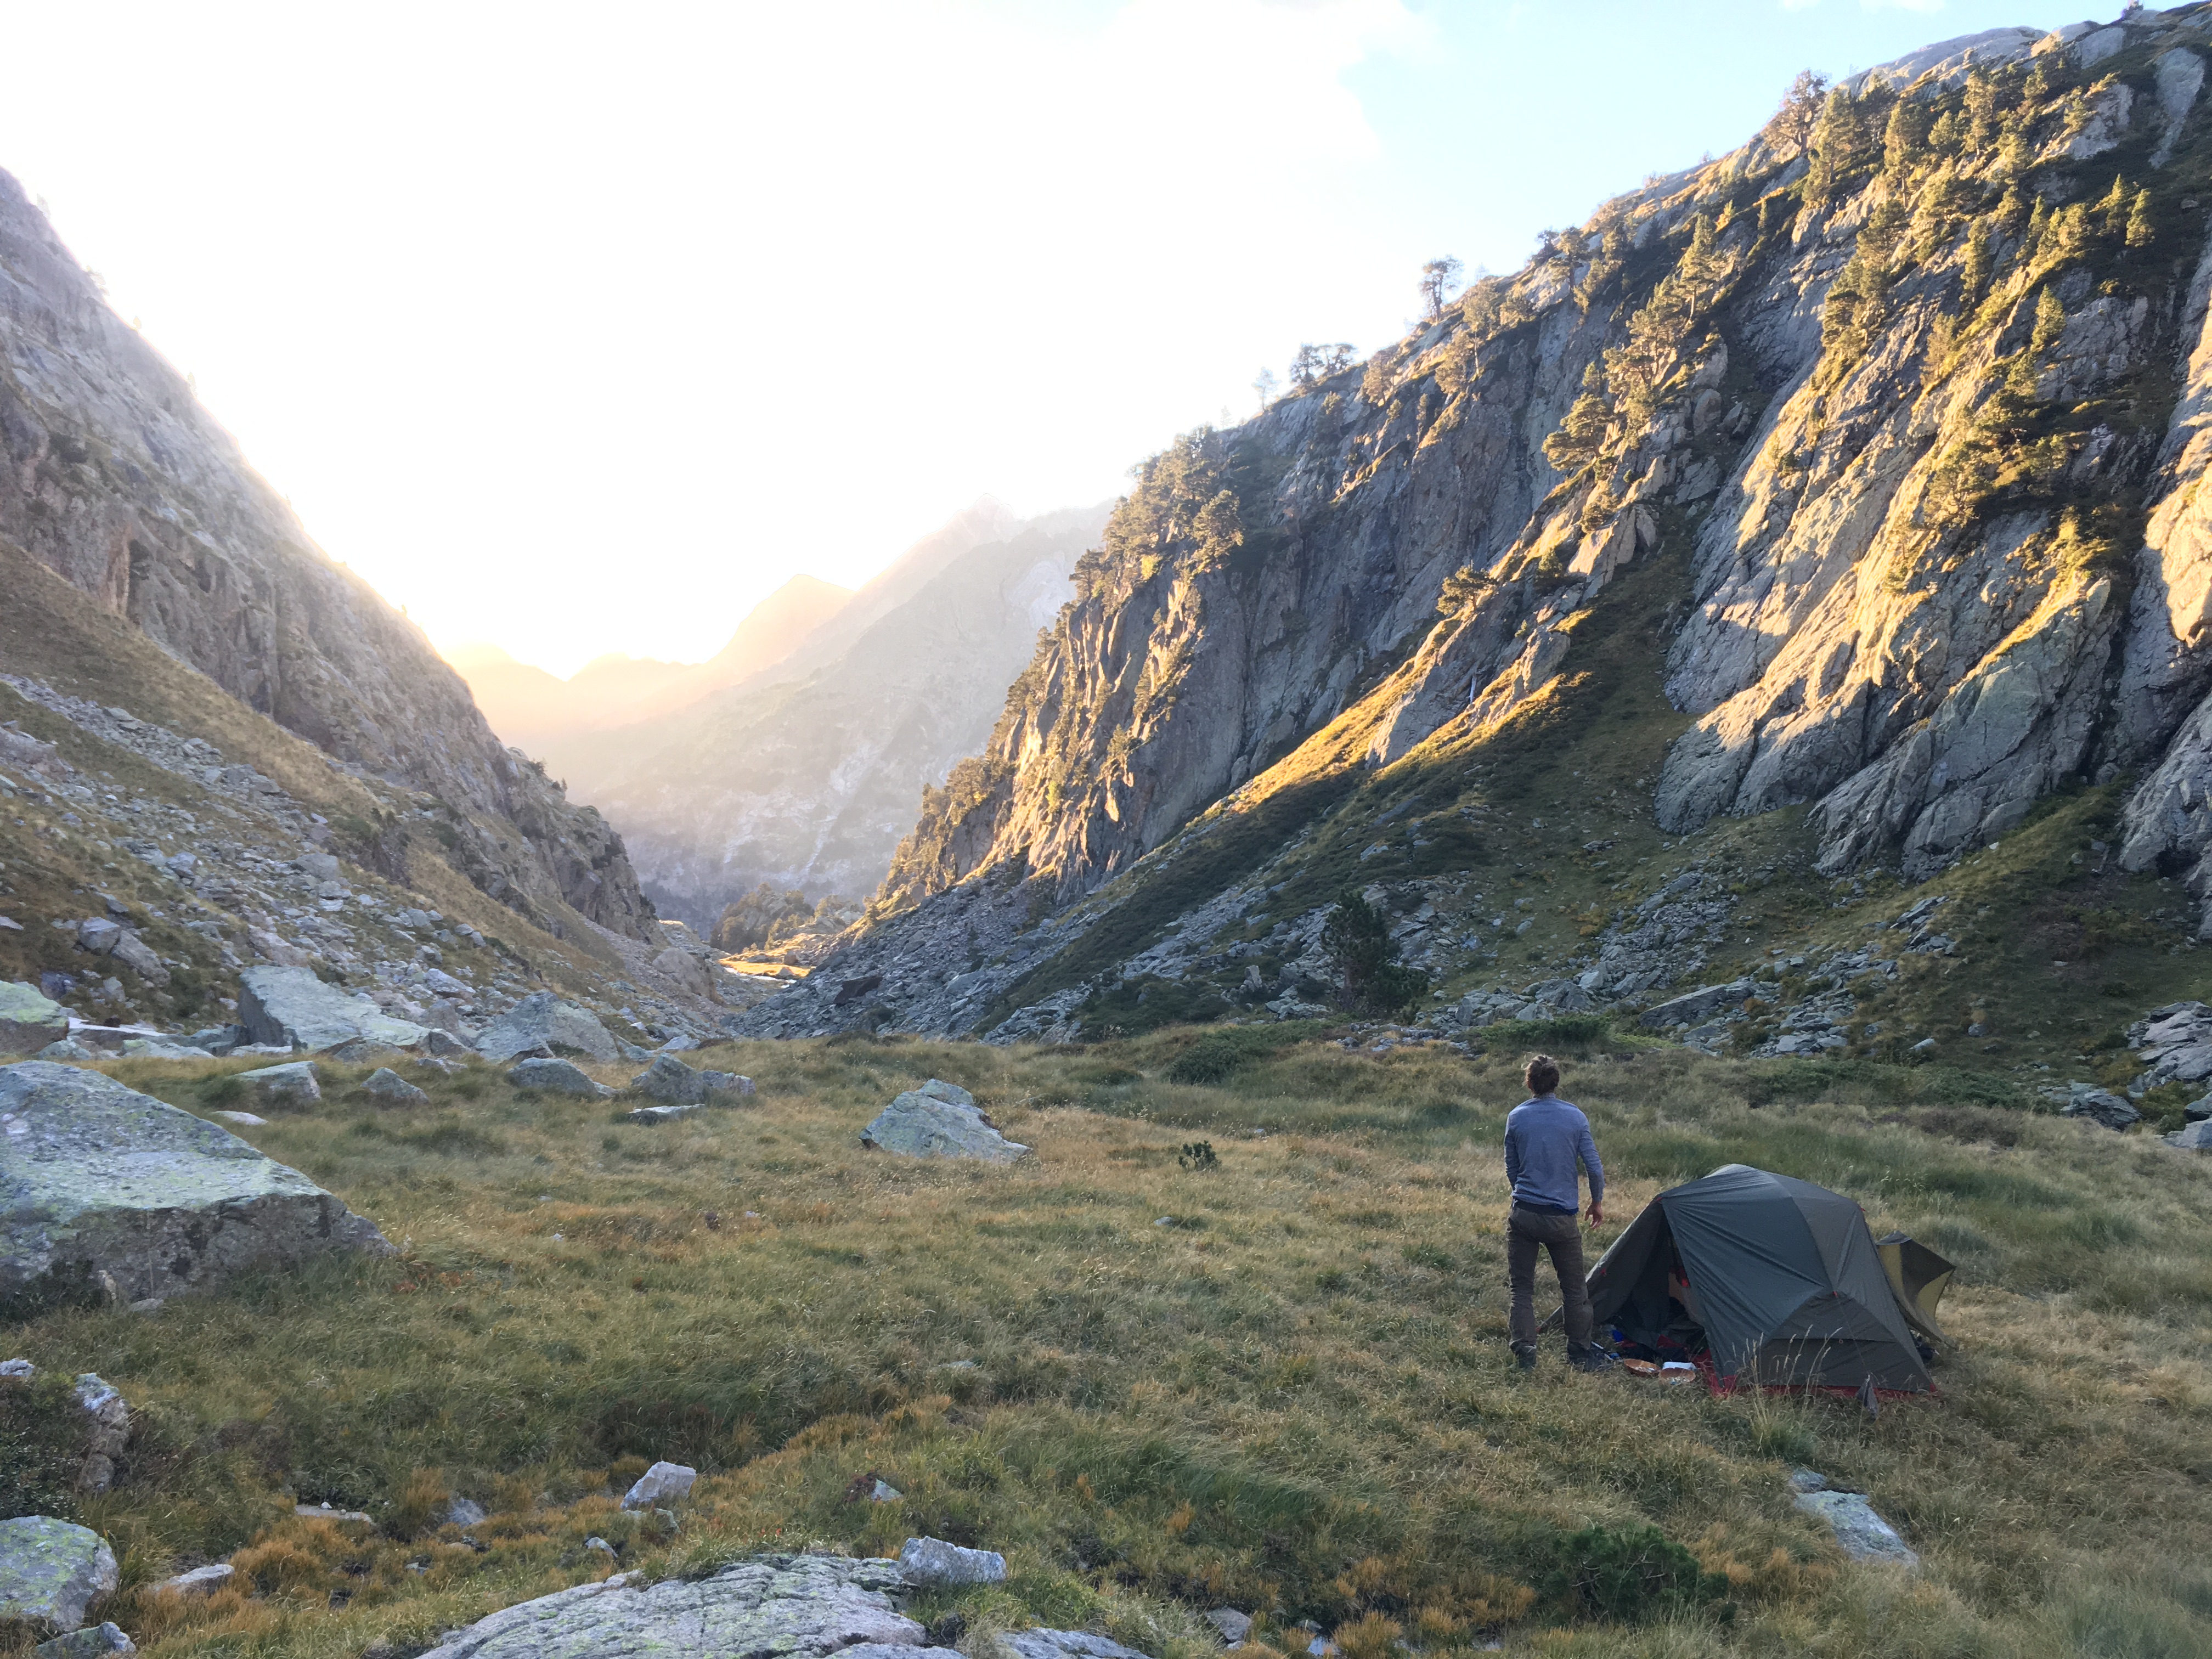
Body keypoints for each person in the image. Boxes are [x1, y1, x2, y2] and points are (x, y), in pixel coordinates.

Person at [1502, 1052, 1613, 1373]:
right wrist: (1596, 1201)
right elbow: (1593, 1166)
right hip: (1562, 1216)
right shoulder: (1576, 1117)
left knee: (1521, 1288)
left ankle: (1525, 1353)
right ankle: (1579, 1354)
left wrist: (1520, 1191)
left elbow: (1512, 1166)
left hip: (1523, 1212)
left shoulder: (1517, 1116)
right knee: (1575, 1289)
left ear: (1530, 1083)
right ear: (1556, 1082)